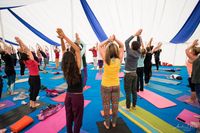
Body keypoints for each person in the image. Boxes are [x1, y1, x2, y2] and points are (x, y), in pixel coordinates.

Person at [57, 28, 84, 133]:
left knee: (69, 117)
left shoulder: (64, 68)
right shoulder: (77, 68)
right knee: (77, 119)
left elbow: (64, 51)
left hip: (68, 96)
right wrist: (64, 37)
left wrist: (62, 40)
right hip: (77, 97)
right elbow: (77, 49)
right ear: (73, 59)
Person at [99, 34, 124, 129]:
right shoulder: (119, 60)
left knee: (106, 105)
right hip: (116, 85)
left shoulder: (106, 58)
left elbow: (100, 46)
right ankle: (113, 123)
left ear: (108, 51)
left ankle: (107, 124)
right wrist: (115, 39)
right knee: (115, 105)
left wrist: (108, 40)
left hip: (105, 86)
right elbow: (122, 46)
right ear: (116, 51)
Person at [15, 37, 41, 108]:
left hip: (31, 78)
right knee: (35, 91)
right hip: (35, 78)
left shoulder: (25, 61)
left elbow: (24, 51)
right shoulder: (31, 60)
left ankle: (31, 103)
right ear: (28, 55)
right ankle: (33, 104)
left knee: (32, 90)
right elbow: (27, 49)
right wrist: (20, 41)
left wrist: (20, 43)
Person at [124, 29, 142, 111]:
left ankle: (128, 107)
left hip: (128, 75)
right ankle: (134, 106)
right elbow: (139, 44)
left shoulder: (129, 52)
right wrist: (138, 36)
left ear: (131, 46)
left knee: (128, 91)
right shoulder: (138, 52)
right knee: (134, 91)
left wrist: (135, 34)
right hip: (135, 74)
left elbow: (126, 42)